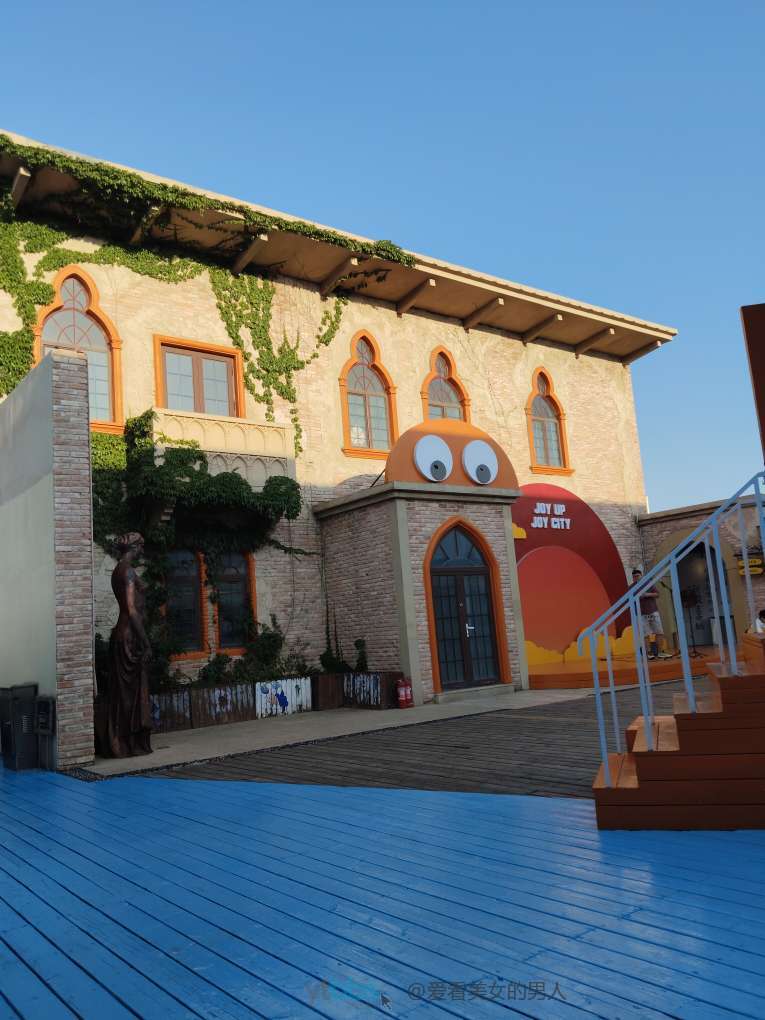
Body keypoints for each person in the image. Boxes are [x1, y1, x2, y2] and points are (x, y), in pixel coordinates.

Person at [107, 532, 153, 757]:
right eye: (140, 547)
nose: (142, 551)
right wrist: (146, 642)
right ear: (134, 547)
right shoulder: (127, 572)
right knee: (130, 695)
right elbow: (131, 609)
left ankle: (126, 741)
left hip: (124, 635)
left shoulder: (119, 570)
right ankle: (129, 742)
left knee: (126, 694)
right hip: (129, 638)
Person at [632, 569, 670, 660]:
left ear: (641, 576)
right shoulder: (631, 587)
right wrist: (639, 596)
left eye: (638, 576)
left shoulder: (648, 583)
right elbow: (630, 599)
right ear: (632, 578)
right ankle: (648, 654)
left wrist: (647, 594)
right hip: (641, 614)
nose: (636, 578)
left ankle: (660, 652)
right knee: (645, 634)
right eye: (634, 577)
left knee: (659, 632)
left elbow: (657, 594)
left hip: (653, 611)